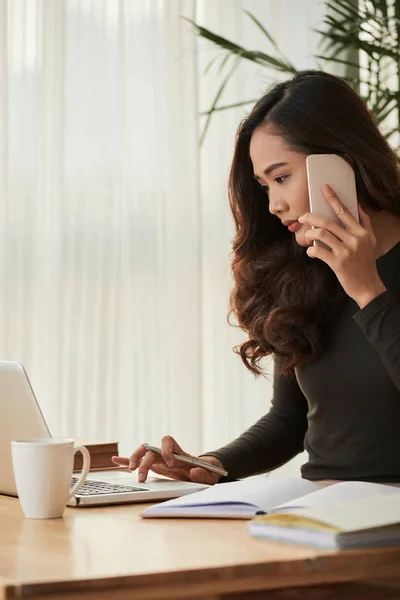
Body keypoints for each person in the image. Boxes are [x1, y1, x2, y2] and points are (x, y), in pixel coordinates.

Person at [113, 70, 400, 486]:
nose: (273, 204)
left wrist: (367, 291)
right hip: (321, 513)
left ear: (340, 163)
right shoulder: (305, 272)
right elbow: (289, 421)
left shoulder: (361, 280)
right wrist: (209, 465)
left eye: (281, 178)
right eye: (264, 186)